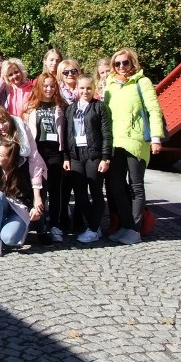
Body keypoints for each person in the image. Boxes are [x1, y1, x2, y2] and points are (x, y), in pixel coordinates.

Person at [104, 48, 164, 245]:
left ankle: (135, 229)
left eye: (125, 62)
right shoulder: (110, 85)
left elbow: (153, 110)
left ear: (133, 63)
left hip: (136, 141)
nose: (122, 67)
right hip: (115, 142)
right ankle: (126, 224)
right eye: (117, 63)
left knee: (136, 186)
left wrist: (155, 138)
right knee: (115, 186)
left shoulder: (142, 82)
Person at [64, 75, 112, 244]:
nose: (85, 91)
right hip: (76, 155)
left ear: (94, 89)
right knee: (80, 194)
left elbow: (106, 134)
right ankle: (95, 226)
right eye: (82, 88)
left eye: (89, 88)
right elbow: (66, 134)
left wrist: (105, 158)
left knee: (96, 192)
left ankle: (92, 229)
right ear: (77, 88)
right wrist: (66, 156)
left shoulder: (100, 107)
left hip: (94, 155)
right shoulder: (71, 109)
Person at [0, 141, 44, 257]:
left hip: (20, 208)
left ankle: (19, 229)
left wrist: (35, 207)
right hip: (2, 205)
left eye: (0, 155)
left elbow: (39, 188)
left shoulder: (24, 169)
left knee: (9, 239)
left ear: (11, 159)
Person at [23, 73, 67, 241]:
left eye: (52, 86)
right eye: (45, 86)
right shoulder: (30, 106)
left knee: (55, 190)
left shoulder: (60, 106)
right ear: (39, 87)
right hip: (37, 150)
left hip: (55, 151)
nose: (49, 89)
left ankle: (54, 225)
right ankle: (37, 224)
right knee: (38, 189)